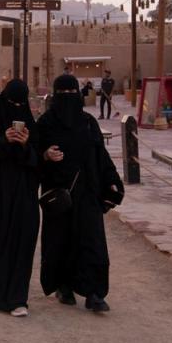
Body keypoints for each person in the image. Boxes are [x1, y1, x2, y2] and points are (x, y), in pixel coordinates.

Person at [36, 74, 125, 312]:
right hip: (59, 193)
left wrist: (112, 181)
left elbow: (100, 155)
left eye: (71, 94)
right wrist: (45, 155)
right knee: (61, 241)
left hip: (87, 191)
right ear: (55, 96)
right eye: (63, 94)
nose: (68, 99)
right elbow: (32, 156)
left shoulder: (88, 122)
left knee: (92, 241)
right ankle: (63, 286)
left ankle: (95, 292)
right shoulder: (45, 124)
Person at [0, 79, 39, 317]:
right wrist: (4, 140)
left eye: (20, 103)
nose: (16, 107)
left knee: (22, 241)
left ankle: (16, 298)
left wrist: (25, 146)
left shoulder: (32, 126)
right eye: (12, 102)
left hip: (24, 193)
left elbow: (37, 161)